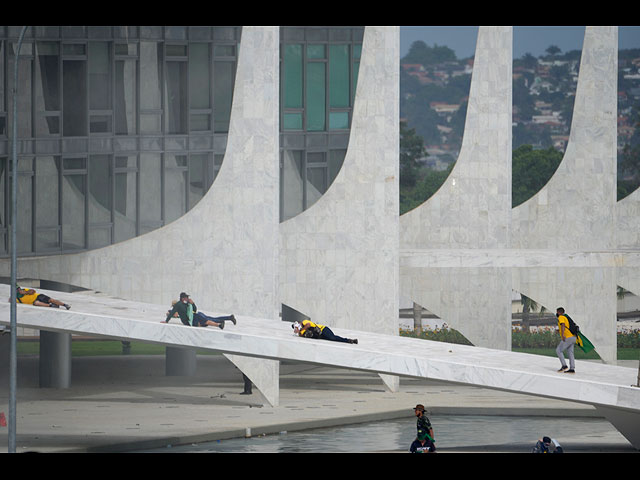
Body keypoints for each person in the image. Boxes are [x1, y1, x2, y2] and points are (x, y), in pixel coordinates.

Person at [163, 292, 236, 330]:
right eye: (186, 297)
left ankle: (226, 320)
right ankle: (226, 320)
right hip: (191, 320)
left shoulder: (187, 303)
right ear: (182, 298)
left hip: (195, 316)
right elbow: (172, 312)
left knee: (212, 319)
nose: (187, 298)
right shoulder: (178, 305)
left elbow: (194, 310)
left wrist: (193, 303)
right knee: (210, 320)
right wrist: (166, 321)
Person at [292, 319, 358, 344]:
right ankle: (349, 340)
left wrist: (301, 329)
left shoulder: (304, 322)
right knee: (333, 339)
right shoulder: (301, 332)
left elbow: (308, 325)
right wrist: (299, 332)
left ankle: (349, 340)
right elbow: (303, 335)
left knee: (333, 338)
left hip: (323, 329)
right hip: (319, 335)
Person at [555, 307, 576, 374]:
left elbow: (563, 325)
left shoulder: (561, 317)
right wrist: (559, 330)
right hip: (573, 337)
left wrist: (563, 334)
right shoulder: (566, 317)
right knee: (570, 353)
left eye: (557, 312)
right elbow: (565, 326)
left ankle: (564, 366)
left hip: (567, 337)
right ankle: (572, 369)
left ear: (559, 312)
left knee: (558, 350)